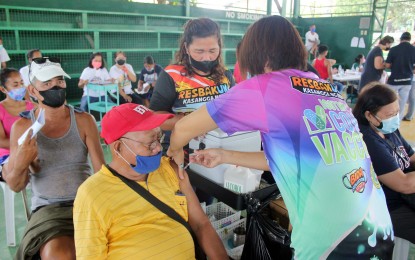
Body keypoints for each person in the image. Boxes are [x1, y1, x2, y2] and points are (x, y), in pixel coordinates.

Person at [168, 15, 394, 259]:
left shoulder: (263, 88)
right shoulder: (324, 88)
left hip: (332, 242)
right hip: (378, 226)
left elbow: (182, 130)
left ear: (261, 59)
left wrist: (174, 152)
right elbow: (293, 157)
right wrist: (225, 155)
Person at [73, 103, 228, 259]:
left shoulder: (171, 170)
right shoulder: (92, 194)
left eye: (158, 138)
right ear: (119, 147)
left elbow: (201, 224)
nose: (158, 148)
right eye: (150, 143)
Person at [3, 58, 105, 259]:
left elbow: (101, 171)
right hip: (49, 209)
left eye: (59, 81)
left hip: (85, 201)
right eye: (47, 84)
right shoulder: (22, 127)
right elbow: (16, 185)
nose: (55, 87)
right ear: (33, 91)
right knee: (60, 254)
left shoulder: (84, 120)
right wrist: (23, 162)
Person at [150, 17, 235, 203]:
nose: (206, 57)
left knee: (208, 203)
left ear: (220, 46)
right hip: (179, 153)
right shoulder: (172, 75)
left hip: (215, 153)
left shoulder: (226, 76)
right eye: (199, 51)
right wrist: (192, 123)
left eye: (212, 50)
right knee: (181, 204)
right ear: (187, 48)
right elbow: (156, 117)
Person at [352, 83, 415, 244]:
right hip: (389, 207)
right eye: (389, 115)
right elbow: (404, 185)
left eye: (397, 112)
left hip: (406, 198)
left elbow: (410, 156)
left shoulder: (388, 130)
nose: (395, 118)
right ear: (369, 115)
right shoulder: (367, 140)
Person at [0, 68, 34, 182]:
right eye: (15, 85)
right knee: (18, 176)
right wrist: (23, 146)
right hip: (8, 154)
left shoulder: (33, 107)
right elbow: (1, 141)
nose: (20, 87)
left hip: (34, 150)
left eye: (22, 83)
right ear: (3, 89)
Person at [385, 32, 415, 120]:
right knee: (402, 103)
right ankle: (397, 123)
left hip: (394, 80)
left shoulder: (394, 49)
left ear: (401, 39)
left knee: (388, 100)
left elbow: (387, 65)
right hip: (407, 81)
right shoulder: (414, 50)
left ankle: (387, 119)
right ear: (409, 40)